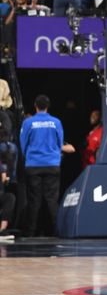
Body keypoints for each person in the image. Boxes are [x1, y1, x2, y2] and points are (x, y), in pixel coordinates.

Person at [20, 94, 74, 236]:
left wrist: (30, 157)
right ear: (48, 106)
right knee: (52, 200)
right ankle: (56, 232)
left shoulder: (28, 123)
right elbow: (59, 143)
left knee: (33, 200)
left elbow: (23, 144)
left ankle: (30, 232)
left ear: (35, 106)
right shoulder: (56, 122)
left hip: (33, 165)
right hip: (52, 165)